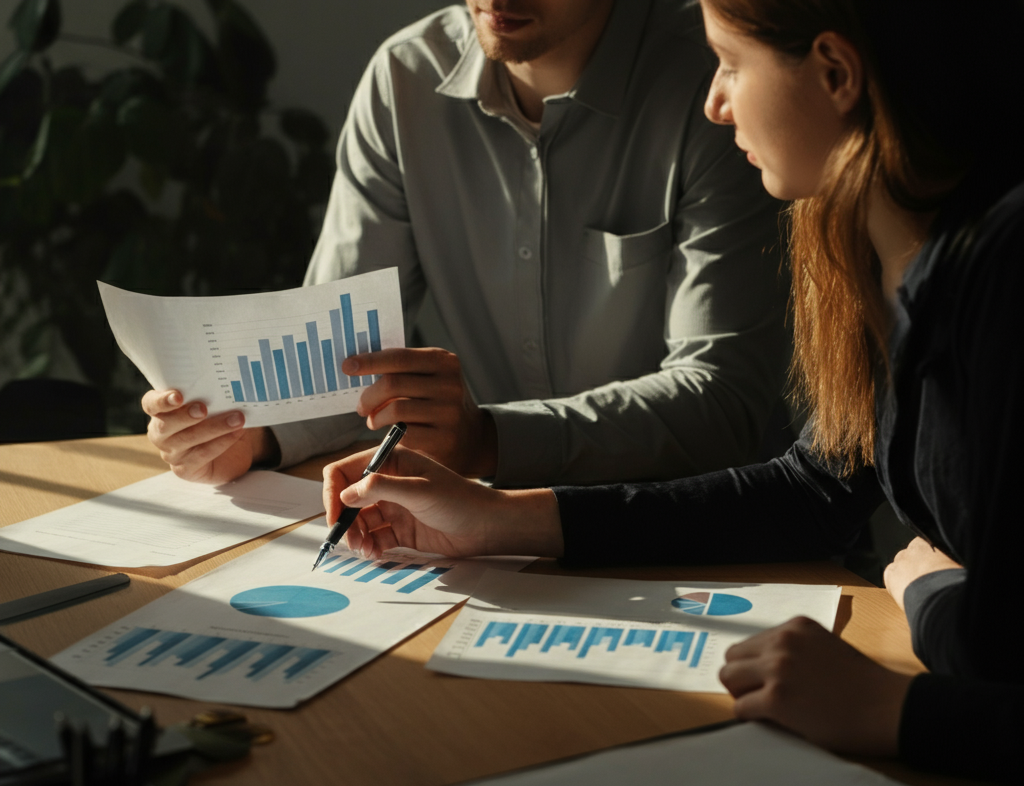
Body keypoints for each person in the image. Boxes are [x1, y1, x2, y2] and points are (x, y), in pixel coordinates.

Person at [318, 0, 1024, 785]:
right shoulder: (865, 245)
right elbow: (814, 486)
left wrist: (907, 673)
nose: (716, 102)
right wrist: (497, 520)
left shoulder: (1001, 275)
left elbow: (1000, 653)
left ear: (835, 73)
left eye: (729, 64)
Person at [142, 0, 791, 488]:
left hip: (705, 529)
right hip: (489, 524)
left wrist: (490, 440)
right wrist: (251, 434)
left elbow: (722, 401)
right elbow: (345, 360)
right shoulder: (405, 81)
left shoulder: (718, 94)